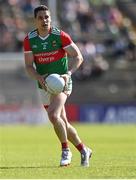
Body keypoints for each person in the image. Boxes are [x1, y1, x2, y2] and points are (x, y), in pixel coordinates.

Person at [23, 5, 92, 167]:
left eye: (47, 17)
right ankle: (84, 150)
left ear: (50, 18)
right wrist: (39, 77)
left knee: (54, 116)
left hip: (62, 83)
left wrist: (68, 73)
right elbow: (28, 66)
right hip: (44, 85)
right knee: (63, 123)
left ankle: (65, 151)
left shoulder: (60, 36)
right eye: (40, 18)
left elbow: (78, 57)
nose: (44, 20)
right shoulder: (29, 39)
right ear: (35, 20)